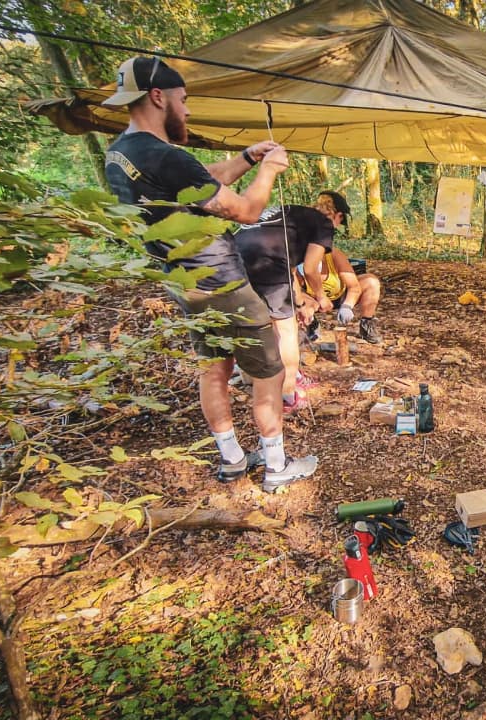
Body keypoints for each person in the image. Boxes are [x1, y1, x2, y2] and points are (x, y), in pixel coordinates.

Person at [100, 56, 316, 493]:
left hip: (183, 284)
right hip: (222, 282)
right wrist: (270, 170)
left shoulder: (121, 155)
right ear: (158, 97)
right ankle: (276, 467)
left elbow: (202, 182)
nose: (189, 110)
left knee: (214, 370)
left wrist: (245, 159)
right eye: (184, 100)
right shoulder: (162, 153)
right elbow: (245, 209)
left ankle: (233, 460)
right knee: (269, 372)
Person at [233, 205, 337, 413]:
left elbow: (289, 270)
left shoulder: (287, 218)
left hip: (234, 260)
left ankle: (252, 379)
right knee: (286, 330)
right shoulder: (324, 223)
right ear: (338, 216)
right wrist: (321, 297)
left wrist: (298, 303)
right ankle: (289, 394)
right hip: (268, 261)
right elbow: (309, 268)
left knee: (257, 323)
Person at [308, 190, 384, 344]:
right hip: (312, 301)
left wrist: (347, 306)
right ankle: (310, 325)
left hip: (338, 296)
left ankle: (367, 325)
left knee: (371, 281)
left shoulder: (334, 254)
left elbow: (354, 286)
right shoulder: (298, 258)